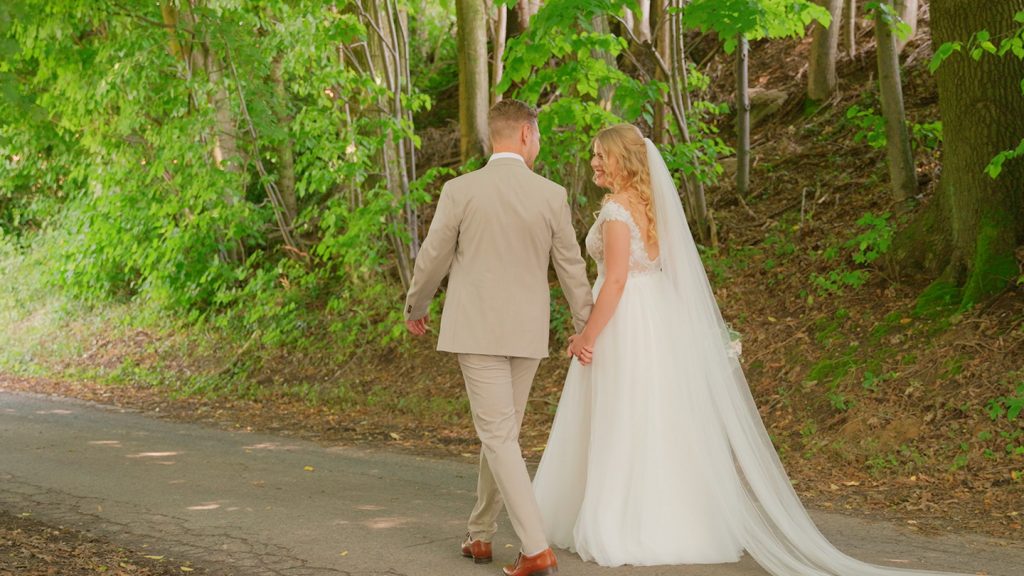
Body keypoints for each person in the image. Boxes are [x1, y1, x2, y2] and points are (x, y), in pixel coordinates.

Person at [533, 123, 979, 576]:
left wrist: (587, 335)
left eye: (599, 156)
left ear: (621, 160)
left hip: (626, 320)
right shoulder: (653, 208)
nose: (594, 163)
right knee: (659, 416)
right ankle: (679, 521)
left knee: (624, 415)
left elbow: (616, 280)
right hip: (658, 319)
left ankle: (623, 521)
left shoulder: (615, 212)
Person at [404, 99, 593, 576]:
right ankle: (481, 535)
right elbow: (571, 267)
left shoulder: (460, 190)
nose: (540, 141)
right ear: (526, 135)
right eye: (540, 134)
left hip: (477, 330)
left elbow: (433, 257)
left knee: (499, 435)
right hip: (526, 333)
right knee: (502, 434)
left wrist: (417, 305)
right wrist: (584, 323)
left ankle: (536, 550)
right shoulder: (550, 195)